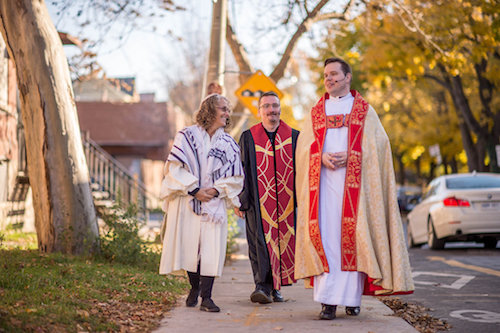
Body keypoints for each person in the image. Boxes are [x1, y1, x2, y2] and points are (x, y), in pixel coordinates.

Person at [294, 58, 414, 320]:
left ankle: (351, 298)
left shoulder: (364, 111)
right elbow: (303, 149)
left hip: (355, 191)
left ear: (348, 77)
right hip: (323, 188)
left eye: (335, 74)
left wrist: (354, 155)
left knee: (354, 240)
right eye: (326, 75)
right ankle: (327, 302)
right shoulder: (316, 112)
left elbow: (380, 148)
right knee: (326, 238)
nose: (329, 79)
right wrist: (320, 156)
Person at [159, 93, 244, 313]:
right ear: (209, 110)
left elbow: (236, 177)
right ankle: (194, 287)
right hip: (188, 200)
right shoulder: (186, 136)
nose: (227, 113)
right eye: (222, 108)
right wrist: (195, 189)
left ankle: (207, 297)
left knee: (211, 249)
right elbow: (174, 168)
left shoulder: (229, 144)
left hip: (213, 203)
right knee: (190, 246)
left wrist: (216, 190)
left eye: (228, 109)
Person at [235, 91, 299, 304]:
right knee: (258, 243)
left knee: (282, 244)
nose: (272, 110)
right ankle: (261, 286)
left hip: (287, 204)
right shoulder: (248, 137)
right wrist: (240, 201)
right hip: (256, 202)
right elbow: (241, 171)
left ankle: (275, 287)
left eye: (275, 105)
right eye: (267, 106)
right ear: (259, 111)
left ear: (280, 108)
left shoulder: (294, 137)